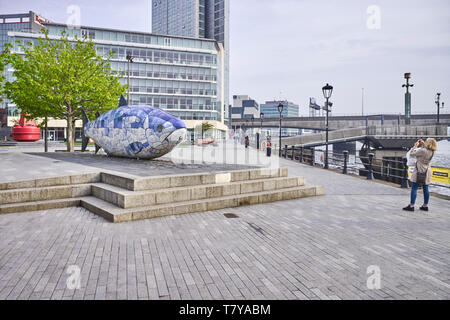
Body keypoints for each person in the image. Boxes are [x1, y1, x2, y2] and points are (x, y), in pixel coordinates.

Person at [403, 138, 437, 212]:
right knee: (426, 188)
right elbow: (426, 149)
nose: (425, 142)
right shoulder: (432, 151)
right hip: (427, 170)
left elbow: (412, 154)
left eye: (426, 141)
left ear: (429, 143)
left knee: (414, 188)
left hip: (419, 170)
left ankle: (411, 205)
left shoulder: (422, 150)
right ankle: (425, 205)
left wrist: (415, 146)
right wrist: (423, 144)